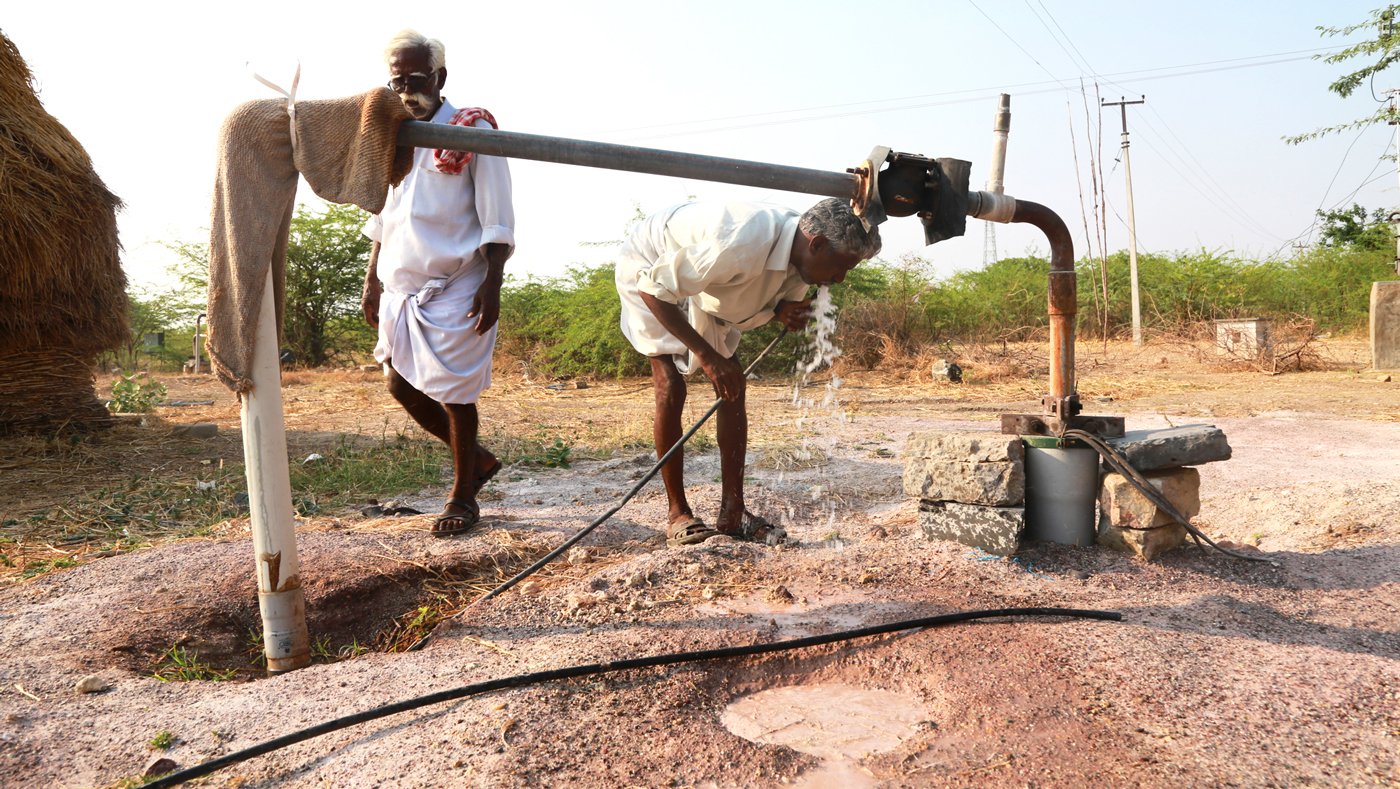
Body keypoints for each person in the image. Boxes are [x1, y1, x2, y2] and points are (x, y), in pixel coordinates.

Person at [615, 198, 881, 546]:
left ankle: (732, 512)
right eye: (841, 267)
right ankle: (678, 513)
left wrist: (779, 311)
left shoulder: (800, 258)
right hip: (651, 263)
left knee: (733, 387)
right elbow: (655, 289)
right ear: (816, 244)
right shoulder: (743, 242)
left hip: (702, 282)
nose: (841, 279)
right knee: (671, 386)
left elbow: (744, 299)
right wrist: (708, 356)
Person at [361, 29, 514, 536]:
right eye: (397, 80)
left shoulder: (472, 131)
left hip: (458, 283)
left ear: (440, 77)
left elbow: (497, 215)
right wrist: (371, 282)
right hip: (402, 289)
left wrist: (491, 283)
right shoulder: (395, 135)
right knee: (398, 385)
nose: (406, 89)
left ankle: (462, 497)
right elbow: (385, 216)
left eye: (416, 78)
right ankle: (478, 462)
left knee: (456, 395)